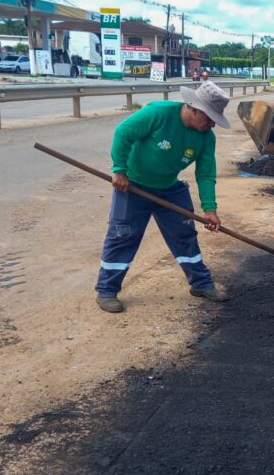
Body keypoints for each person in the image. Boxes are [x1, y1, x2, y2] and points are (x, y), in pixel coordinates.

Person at [94, 80, 231, 313]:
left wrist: (210, 210)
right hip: (133, 187)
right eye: (209, 119)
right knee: (123, 236)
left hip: (170, 189)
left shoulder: (206, 138)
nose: (212, 125)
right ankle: (106, 290)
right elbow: (123, 133)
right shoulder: (158, 113)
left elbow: (206, 174)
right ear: (194, 108)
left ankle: (201, 284)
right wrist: (119, 170)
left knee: (185, 235)